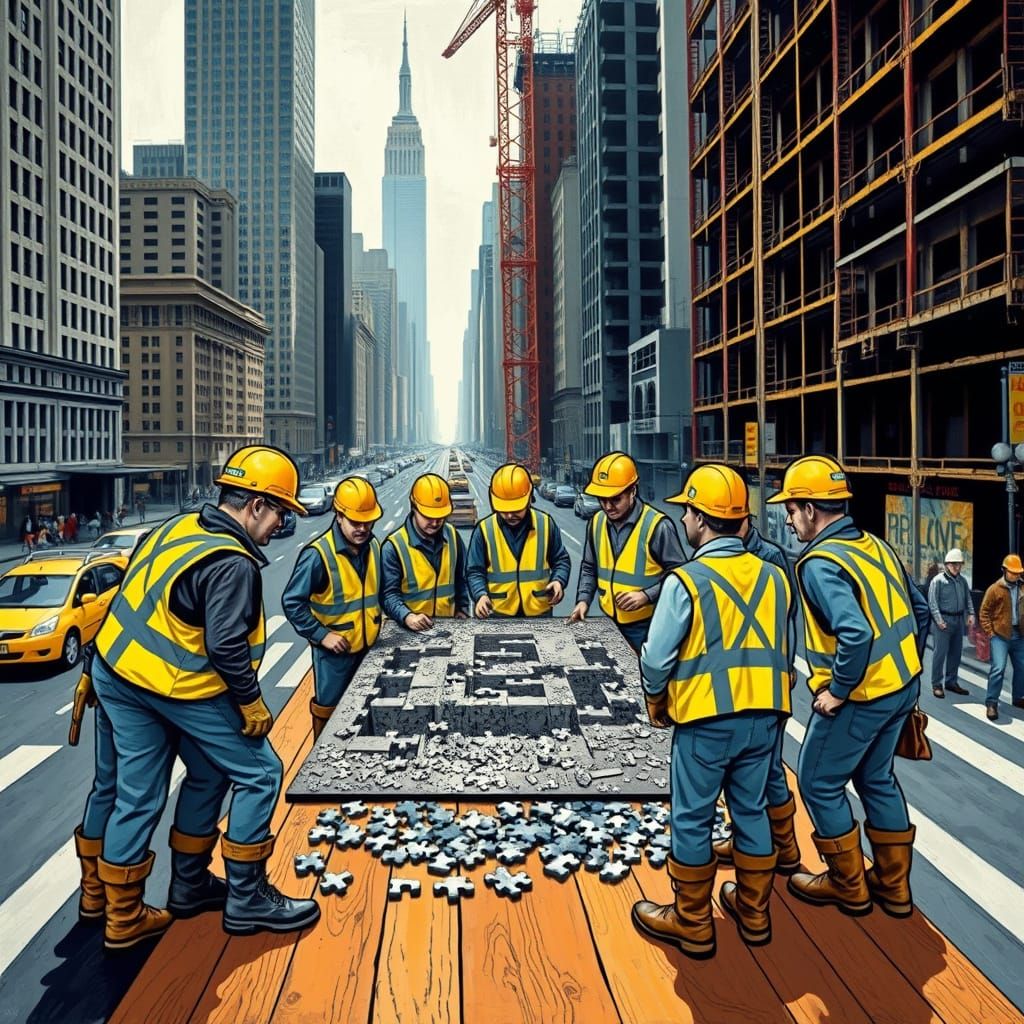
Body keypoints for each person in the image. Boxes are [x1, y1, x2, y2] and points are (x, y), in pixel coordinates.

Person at [88, 445, 320, 951]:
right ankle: (246, 898)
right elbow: (225, 645)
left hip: (118, 673)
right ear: (255, 505)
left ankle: (137, 904)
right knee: (260, 773)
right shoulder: (231, 564)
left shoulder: (179, 526)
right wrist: (250, 702)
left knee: (144, 791)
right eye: (280, 510)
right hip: (175, 684)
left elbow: (132, 590)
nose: (281, 523)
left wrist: (92, 664)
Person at [632, 464, 793, 958]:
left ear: (702, 520)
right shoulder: (776, 577)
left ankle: (693, 920)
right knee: (750, 811)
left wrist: (657, 699)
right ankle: (754, 911)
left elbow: (656, 658)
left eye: (687, 511)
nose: (682, 519)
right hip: (765, 718)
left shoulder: (687, 581)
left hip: (705, 722)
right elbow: (783, 649)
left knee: (693, 817)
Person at [766, 454, 930, 919]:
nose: (789, 519)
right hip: (901, 687)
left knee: (818, 783)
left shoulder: (819, 563)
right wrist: (905, 671)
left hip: (860, 697)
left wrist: (838, 690)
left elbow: (854, 633)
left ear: (811, 510)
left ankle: (849, 885)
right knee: (877, 779)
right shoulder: (875, 545)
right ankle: (894, 888)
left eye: (791, 510)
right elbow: (917, 613)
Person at [712, 514, 802, 877]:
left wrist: (787, 664)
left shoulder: (771, 557)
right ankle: (765, 841)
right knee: (748, 766)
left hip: (764, 676)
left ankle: (785, 846)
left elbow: (788, 616)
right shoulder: (719, 555)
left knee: (767, 766)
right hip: (734, 677)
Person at [283, 476, 383, 739]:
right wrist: (322, 635)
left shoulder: (373, 546)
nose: (363, 528)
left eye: (368, 521)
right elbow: (293, 603)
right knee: (330, 717)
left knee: (367, 712)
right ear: (339, 516)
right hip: (334, 656)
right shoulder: (318, 555)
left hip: (369, 647)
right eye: (355, 522)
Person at [568, 452, 686, 653]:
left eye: (615, 499)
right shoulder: (596, 523)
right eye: (602, 500)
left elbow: (680, 577)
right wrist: (583, 600)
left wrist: (646, 596)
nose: (608, 506)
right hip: (608, 623)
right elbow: (589, 567)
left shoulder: (658, 526)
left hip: (648, 626)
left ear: (633, 490)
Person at [467, 464, 572, 618]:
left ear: (530, 499)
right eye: (504, 509)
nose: (509, 515)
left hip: (538, 613)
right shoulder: (484, 530)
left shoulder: (545, 524)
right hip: (497, 614)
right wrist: (480, 595)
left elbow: (561, 560)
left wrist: (558, 581)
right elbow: (474, 571)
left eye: (516, 509)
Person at [381, 473, 470, 630]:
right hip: (408, 631)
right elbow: (388, 595)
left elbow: (460, 578)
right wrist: (407, 616)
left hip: (447, 628)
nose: (435, 522)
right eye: (428, 516)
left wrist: (462, 608)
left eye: (440, 516)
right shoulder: (394, 547)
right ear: (414, 508)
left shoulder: (453, 536)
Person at [978, 554, 1024, 720]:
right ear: (1004, 571)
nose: (1016, 575)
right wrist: (991, 633)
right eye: (1013, 572)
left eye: (1018, 572)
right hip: (1000, 635)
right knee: (998, 668)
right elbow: (984, 613)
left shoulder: (1022, 587)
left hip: (1019, 634)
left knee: (1022, 667)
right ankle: (991, 702)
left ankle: (1018, 698)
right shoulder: (994, 589)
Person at [927, 548, 974, 699]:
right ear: (947, 564)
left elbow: (968, 598)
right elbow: (932, 603)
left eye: (959, 564)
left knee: (955, 653)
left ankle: (951, 682)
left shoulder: (962, 581)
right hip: (943, 621)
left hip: (958, 620)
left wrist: (971, 613)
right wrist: (939, 620)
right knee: (939, 654)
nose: (956, 567)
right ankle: (936, 684)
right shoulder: (938, 581)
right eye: (953, 564)